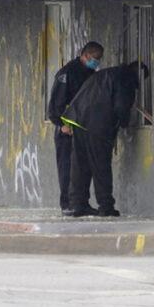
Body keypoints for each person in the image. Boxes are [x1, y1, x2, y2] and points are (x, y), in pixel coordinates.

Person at [61, 60, 142, 218]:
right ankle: (106, 206)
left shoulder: (106, 73)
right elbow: (121, 106)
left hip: (78, 120)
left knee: (80, 165)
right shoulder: (126, 79)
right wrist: (125, 122)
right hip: (97, 125)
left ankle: (78, 204)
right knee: (101, 166)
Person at [46, 42, 103, 215]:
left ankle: (81, 203)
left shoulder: (90, 74)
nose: (97, 62)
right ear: (85, 55)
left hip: (84, 129)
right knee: (67, 168)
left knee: (83, 169)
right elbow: (55, 105)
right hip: (67, 130)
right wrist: (61, 124)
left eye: (99, 59)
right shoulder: (67, 74)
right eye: (94, 59)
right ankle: (67, 204)